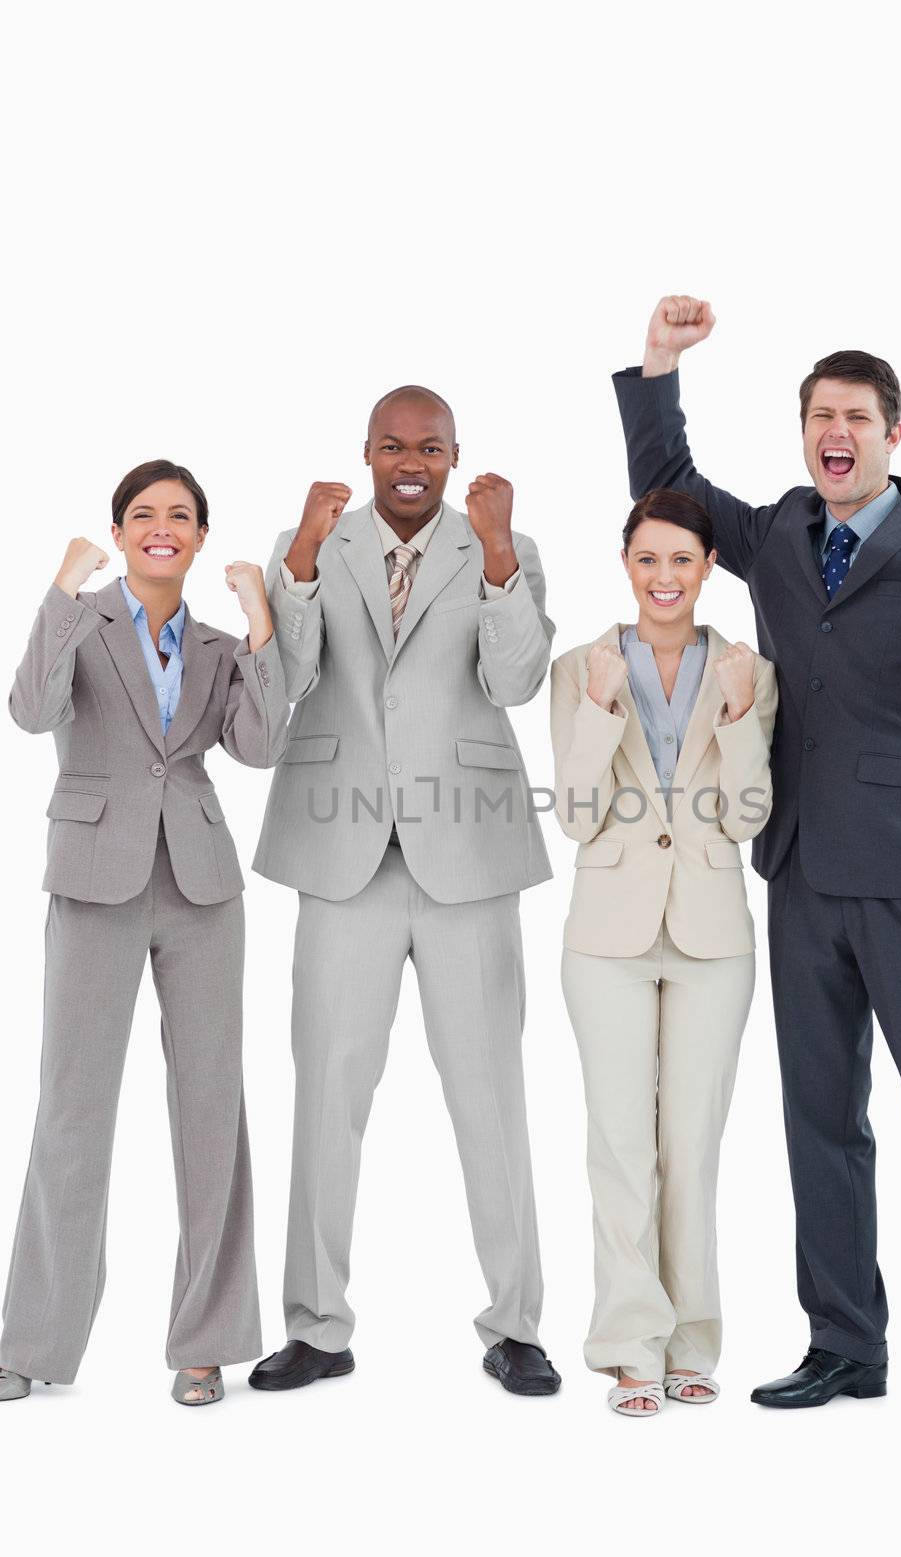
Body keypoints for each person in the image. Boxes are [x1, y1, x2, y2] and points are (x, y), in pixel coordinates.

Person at [612, 297, 901, 1425]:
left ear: (890, 436)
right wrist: (657, 366)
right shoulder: (769, 534)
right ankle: (843, 1342)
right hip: (801, 866)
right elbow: (667, 483)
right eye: (820, 414)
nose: (836, 431)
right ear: (804, 430)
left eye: (856, 416)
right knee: (819, 1113)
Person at [248, 385, 561, 1397]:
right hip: (341, 855)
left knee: (489, 1098)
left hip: (465, 854)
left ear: (455, 453)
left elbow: (513, 683)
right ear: (369, 452)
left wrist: (503, 552)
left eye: (429, 446)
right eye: (392, 446)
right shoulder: (316, 543)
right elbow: (290, 675)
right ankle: (315, 1325)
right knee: (325, 1096)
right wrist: (296, 553)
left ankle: (513, 1324)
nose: (409, 461)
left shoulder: (493, 544)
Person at [0, 460, 288, 1407]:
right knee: (71, 1109)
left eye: (179, 516)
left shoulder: (214, 644)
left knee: (212, 1112)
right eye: (142, 515)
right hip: (93, 880)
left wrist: (261, 627)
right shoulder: (79, 623)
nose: (160, 527)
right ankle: (31, 1338)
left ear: (201, 538)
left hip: (202, 887)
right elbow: (30, 711)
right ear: (118, 533)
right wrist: (56, 587)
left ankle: (204, 1343)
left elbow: (257, 747)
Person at [550, 488, 776, 1417]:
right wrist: (601, 711)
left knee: (691, 1146)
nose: (664, 578)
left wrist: (733, 722)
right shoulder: (580, 668)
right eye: (647, 559)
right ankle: (628, 1343)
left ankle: (692, 1340)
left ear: (708, 567)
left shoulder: (748, 672)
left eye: (681, 560)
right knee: (619, 1144)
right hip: (606, 935)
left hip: (712, 937)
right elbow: (572, 815)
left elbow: (748, 817)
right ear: (626, 565)